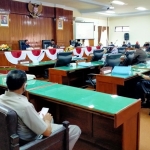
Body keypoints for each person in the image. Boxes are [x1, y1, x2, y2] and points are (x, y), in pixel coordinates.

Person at [0, 70, 81, 150]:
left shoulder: (1, 98)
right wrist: (47, 120)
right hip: (30, 141)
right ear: (24, 85)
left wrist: (36, 116)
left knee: (49, 118)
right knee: (75, 129)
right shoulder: (25, 106)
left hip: (11, 140)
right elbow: (47, 132)